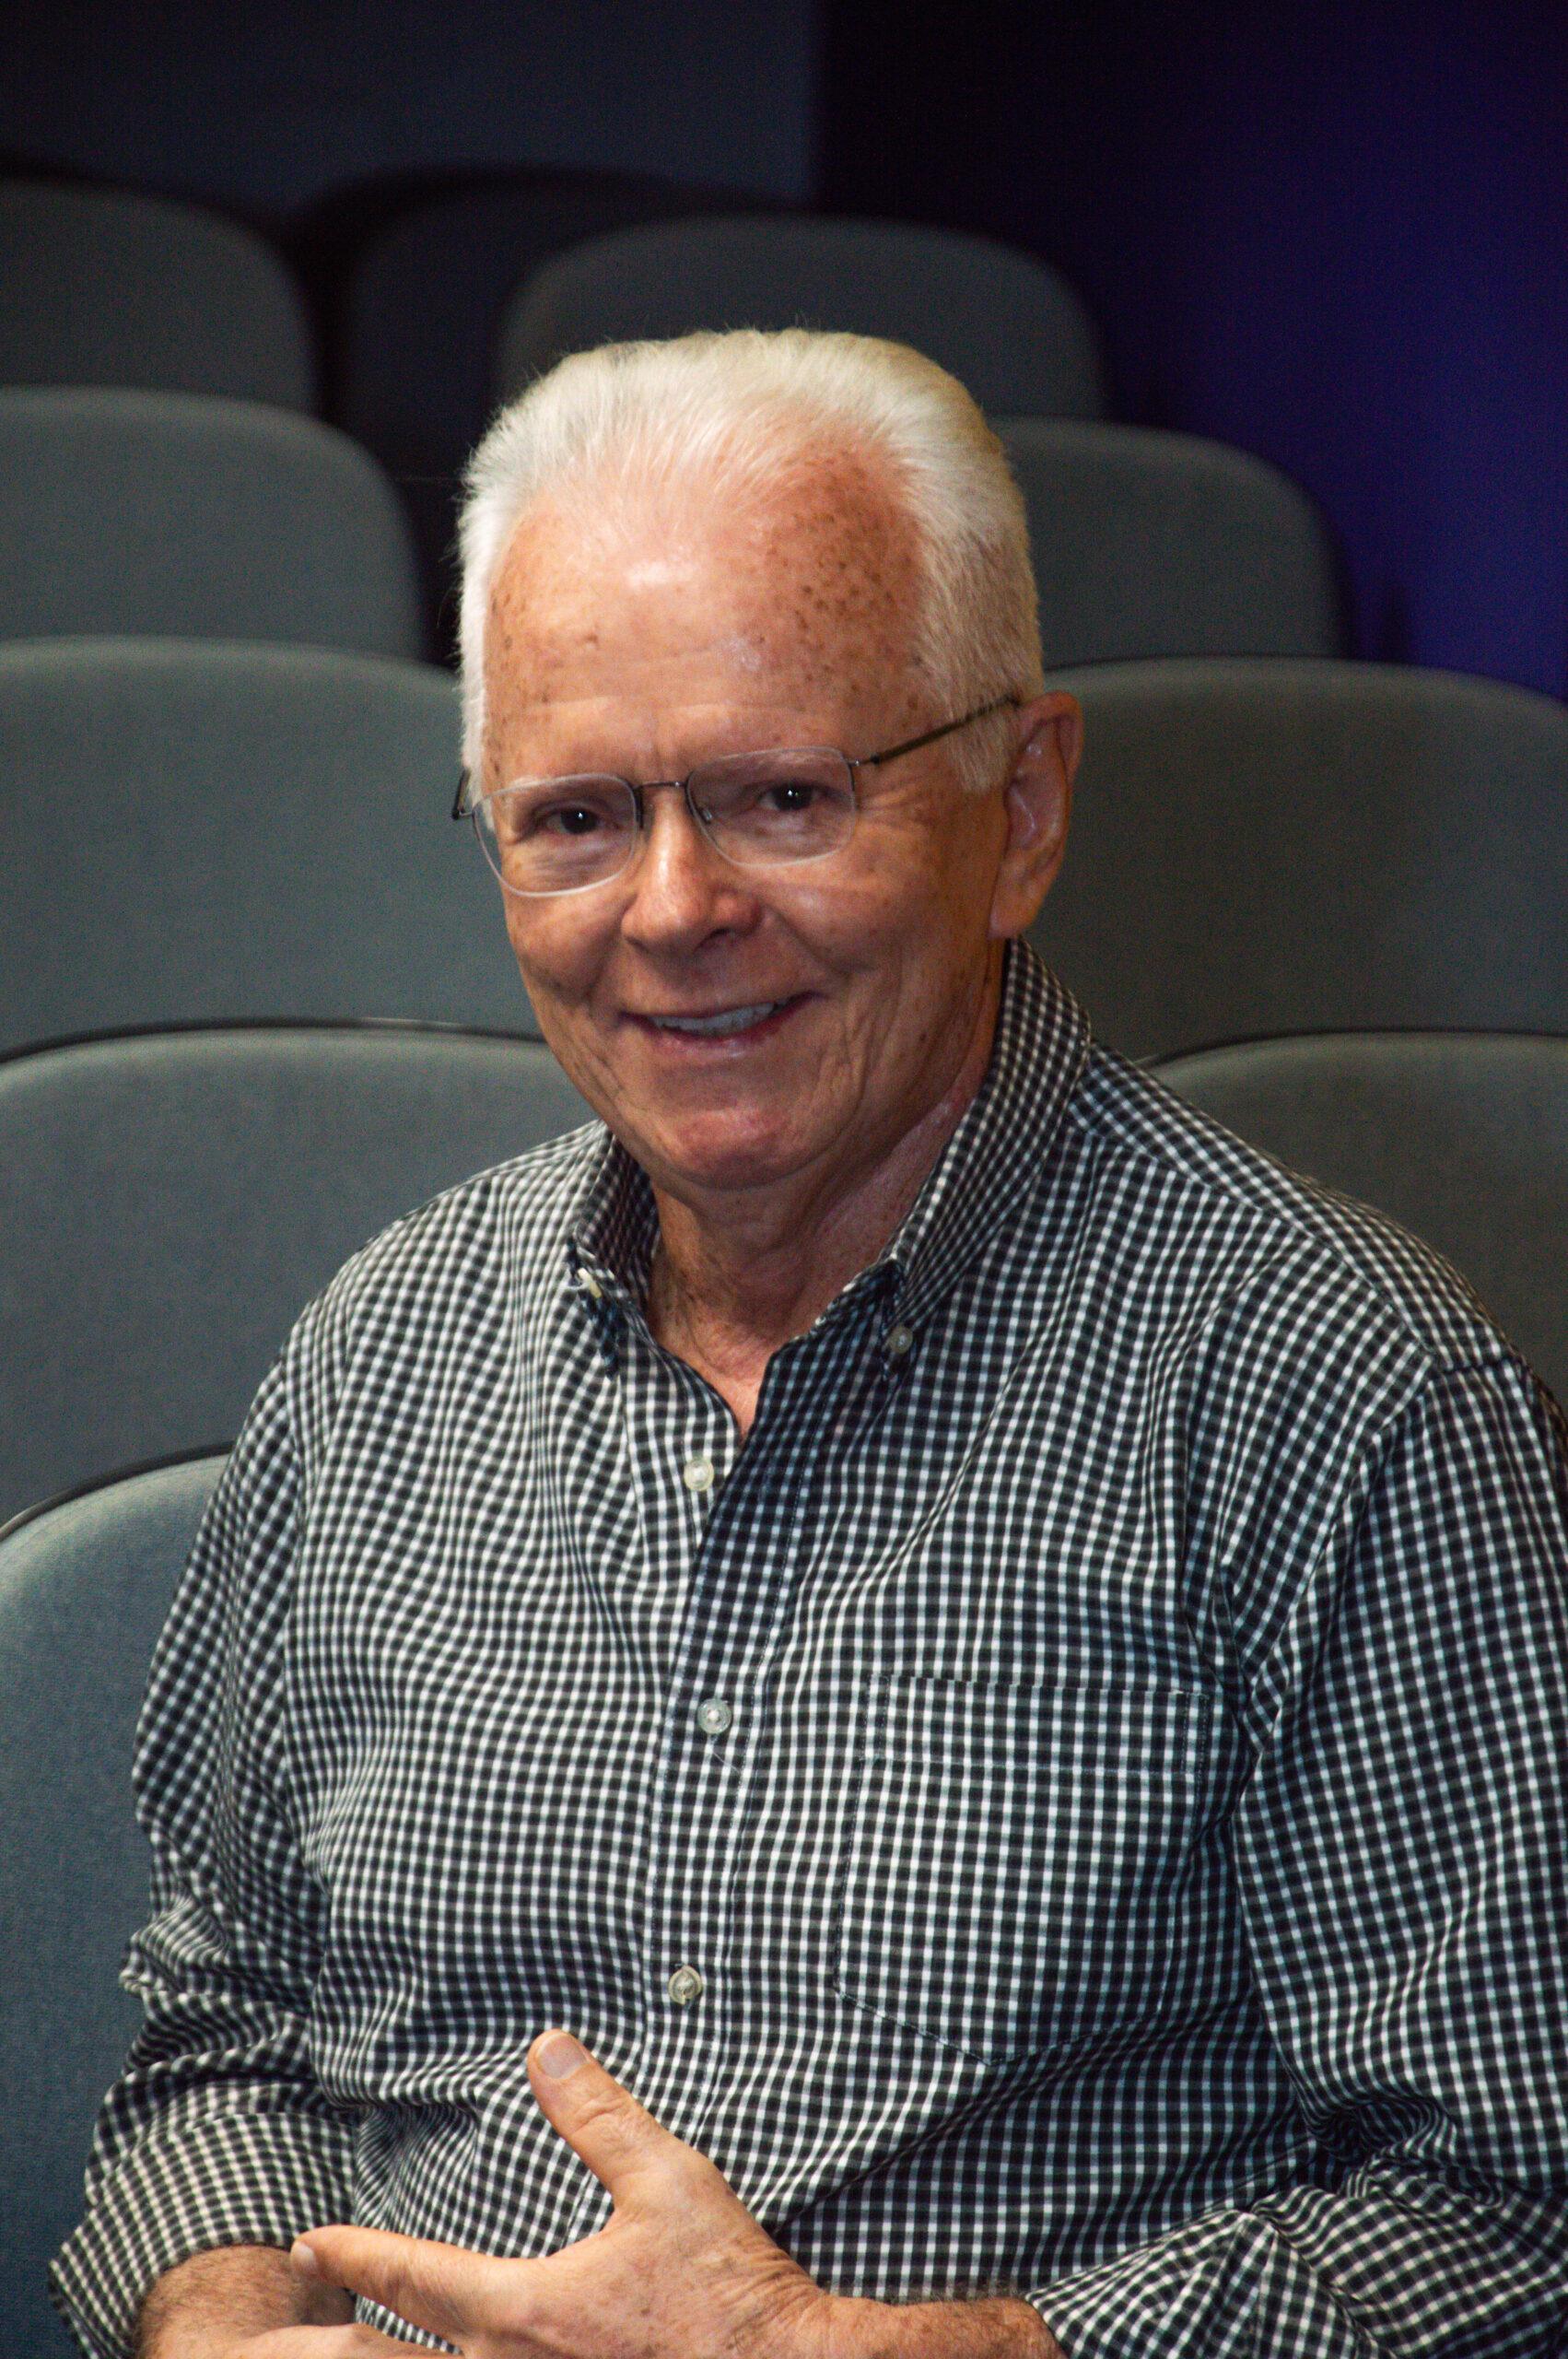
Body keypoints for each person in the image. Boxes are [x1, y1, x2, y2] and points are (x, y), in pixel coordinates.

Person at [53, 330, 1568, 2359]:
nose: (672, 908)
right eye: (574, 818)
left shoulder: (1345, 1394)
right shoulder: (378, 1352)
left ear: (1020, 808)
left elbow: (1511, 2206)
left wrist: (961, 2353)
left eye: (781, 795)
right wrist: (221, 2322)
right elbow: (223, 2027)